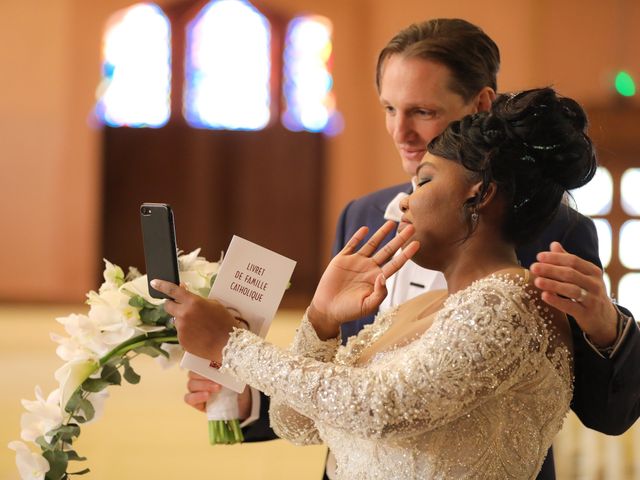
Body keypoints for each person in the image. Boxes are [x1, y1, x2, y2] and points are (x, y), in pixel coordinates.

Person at [186, 19, 640, 479]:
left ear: (480, 105)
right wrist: (313, 326)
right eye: (388, 108)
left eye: (421, 111)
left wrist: (605, 328)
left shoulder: (553, 238)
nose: (399, 131)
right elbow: (334, 397)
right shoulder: (360, 219)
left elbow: (608, 412)